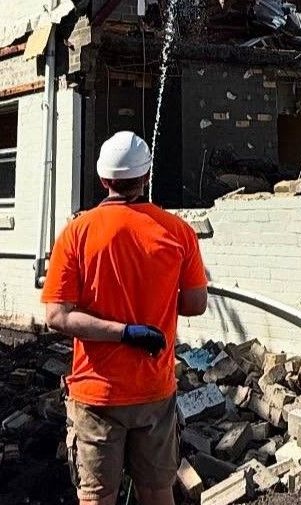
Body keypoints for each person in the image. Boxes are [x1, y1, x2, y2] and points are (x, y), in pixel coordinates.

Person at [42, 131, 209, 505]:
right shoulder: (178, 231)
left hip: (97, 394)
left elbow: (56, 315)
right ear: (146, 177)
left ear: (103, 179)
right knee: (156, 491)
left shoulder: (77, 233)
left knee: (97, 497)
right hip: (154, 391)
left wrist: (121, 332)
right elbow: (196, 303)